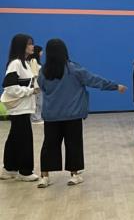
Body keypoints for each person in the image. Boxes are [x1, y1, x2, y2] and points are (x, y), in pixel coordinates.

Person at [36, 39, 126, 188]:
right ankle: (74, 175)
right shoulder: (73, 69)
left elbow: (42, 86)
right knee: (73, 144)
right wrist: (115, 86)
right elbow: (94, 80)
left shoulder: (44, 71)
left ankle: (44, 177)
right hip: (72, 115)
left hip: (51, 115)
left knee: (49, 145)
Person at [1, 34, 39, 182]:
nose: (32, 46)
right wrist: (30, 91)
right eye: (29, 44)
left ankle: (8, 169)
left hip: (24, 108)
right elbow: (10, 87)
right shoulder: (15, 63)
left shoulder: (26, 63)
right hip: (19, 108)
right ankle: (25, 172)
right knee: (24, 139)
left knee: (14, 138)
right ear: (21, 46)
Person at [29, 45, 43, 124]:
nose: (42, 53)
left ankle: (37, 117)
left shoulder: (35, 61)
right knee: (37, 102)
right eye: (41, 51)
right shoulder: (33, 61)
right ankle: (35, 119)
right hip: (36, 85)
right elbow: (34, 74)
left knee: (39, 102)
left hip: (38, 84)